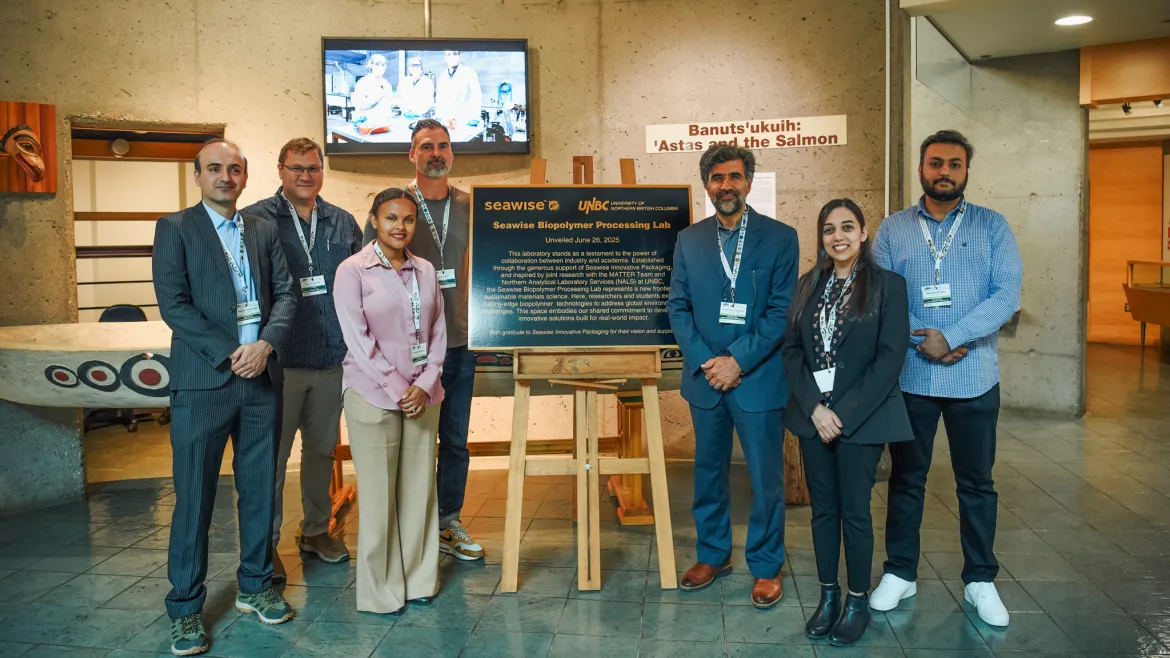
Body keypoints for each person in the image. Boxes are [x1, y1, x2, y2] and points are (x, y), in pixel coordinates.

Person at [870, 130, 1022, 627]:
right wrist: (925, 340)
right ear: (921, 169)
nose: (944, 172)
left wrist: (953, 336)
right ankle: (900, 572)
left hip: (974, 376)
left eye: (954, 164)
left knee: (976, 483)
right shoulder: (893, 229)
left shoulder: (992, 226)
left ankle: (980, 579)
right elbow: (881, 297)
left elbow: (1007, 295)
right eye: (936, 163)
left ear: (966, 171)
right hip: (911, 378)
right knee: (906, 480)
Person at [152, 140, 297, 656]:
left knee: (259, 491)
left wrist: (265, 345)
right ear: (197, 175)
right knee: (194, 498)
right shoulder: (175, 228)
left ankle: (256, 586)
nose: (225, 177)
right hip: (204, 381)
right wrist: (231, 352)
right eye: (214, 168)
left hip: (260, 379)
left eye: (234, 169)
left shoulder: (262, 229)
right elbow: (173, 304)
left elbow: (287, 294)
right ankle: (185, 608)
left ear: (245, 176)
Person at [666, 143, 798, 608]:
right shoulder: (689, 240)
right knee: (708, 473)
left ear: (749, 182)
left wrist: (737, 361)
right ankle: (713, 554)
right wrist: (708, 362)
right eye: (717, 177)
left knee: (765, 478)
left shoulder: (780, 238)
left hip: (757, 379)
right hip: (706, 380)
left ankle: (765, 565)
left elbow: (781, 312)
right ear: (707, 185)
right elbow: (677, 308)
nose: (726, 185)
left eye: (735, 176)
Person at [781, 199, 912, 646]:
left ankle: (857, 601)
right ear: (821, 237)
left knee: (855, 512)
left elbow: (889, 358)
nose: (838, 236)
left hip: (862, 419)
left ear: (863, 232)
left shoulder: (888, 286)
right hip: (814, 419)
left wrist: (843, 414)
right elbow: (792, 351)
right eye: (829, 229)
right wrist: (816, 409)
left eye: (847, 227)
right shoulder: (807, 286)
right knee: (823, 511)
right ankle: (829, 596)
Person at [362, 119, 484, 562]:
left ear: (452, 154)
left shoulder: (473, 205)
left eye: (443, 146)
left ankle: (448, 521)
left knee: (454, 439)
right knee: (408, 442)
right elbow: (368, 278)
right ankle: (408, 528)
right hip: (405, 350)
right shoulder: (395, 206)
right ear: (411, 155)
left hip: (459, 343)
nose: (436, 153)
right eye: (426, 146)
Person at [242, 137, 363, 581]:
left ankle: (315, 531)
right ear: (280, 170)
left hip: (331, 359)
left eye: (313, 168)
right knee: (271, 460)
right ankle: (264, 545)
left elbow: (362, 286)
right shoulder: (255, 219)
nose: (305, 176)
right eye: (296, 168)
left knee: (320, 452)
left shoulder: (342, 222)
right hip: (279, 363)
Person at [334, 188, 446, 614]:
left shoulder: (426, 270)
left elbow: (438, 333)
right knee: (379, 498)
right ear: (374, 221)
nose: (400, 226)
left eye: (408, 219)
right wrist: (401, 389)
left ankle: (418, 580)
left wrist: (427, 381)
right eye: (391, 218)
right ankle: (379, 592)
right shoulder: (352, 271)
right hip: (372, 395)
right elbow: (358, 339)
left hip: (424, 395)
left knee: (419, 493)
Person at [435, 50, 482, 130]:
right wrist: (439, 117)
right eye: (448, 54)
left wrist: (474, 118)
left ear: (459, 56)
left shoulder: (469, 72)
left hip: (465, 121)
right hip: (447, 122)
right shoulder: (442, 77)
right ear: (445, 58)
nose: (452, 57)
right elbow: (440, 100)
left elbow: (476, 95)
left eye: (455, 54)